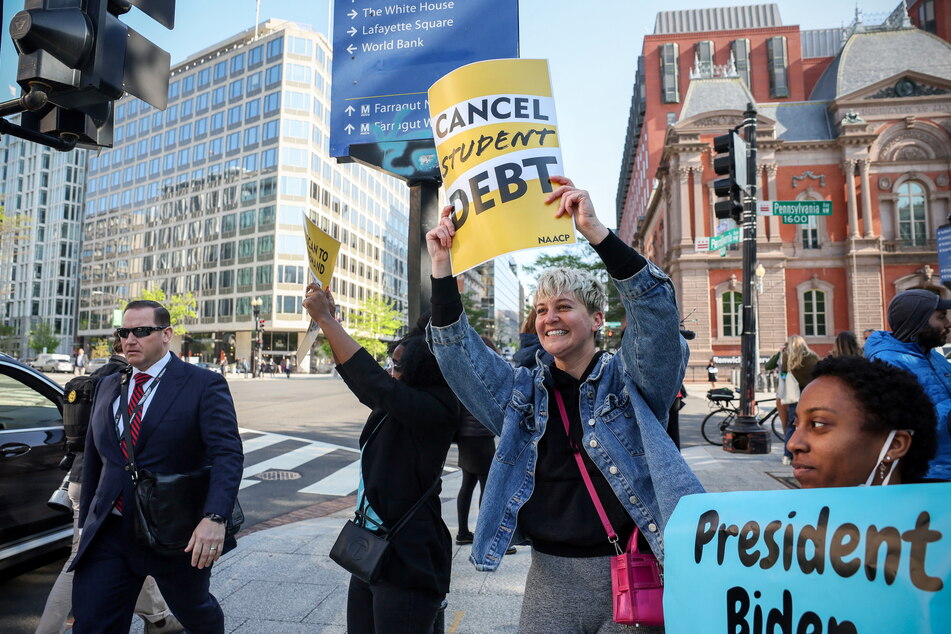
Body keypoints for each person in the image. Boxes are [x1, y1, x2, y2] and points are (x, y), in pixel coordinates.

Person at [426, 175, 703, 633]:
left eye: (563, 306)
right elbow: (458, 356)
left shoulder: (632, 382)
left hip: (634, 568)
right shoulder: (523, 395)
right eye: (540, 310)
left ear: (597, 319)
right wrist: (441, 264)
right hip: (550, 577)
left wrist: (596, 233)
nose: (549, 317)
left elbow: (656, 316)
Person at [69, 300, 243, 634]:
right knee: (92, 623)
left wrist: (215, 517)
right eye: (124, 332)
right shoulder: (107, 385)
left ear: (166, 335)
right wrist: (84, 527)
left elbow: (227, 454)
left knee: (196, 613)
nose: (130, 339)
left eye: (142, 331)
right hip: (111, 530)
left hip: (175, 531)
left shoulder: (203, 384)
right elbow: (94, 460)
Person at [303, 285, 459, 633]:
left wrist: (326, 320)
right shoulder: (400, 404)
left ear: (424, 369)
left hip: (408, 560)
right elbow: (367, 384)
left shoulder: (436, 408)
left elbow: (375, 384)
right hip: (373, 549)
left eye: (398, 367)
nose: (391, 371)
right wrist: (333, 321)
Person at [36, 339, 182, 634]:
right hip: (101, 487)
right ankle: (48, 629)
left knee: (130, 547)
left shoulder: (95, 376)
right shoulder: (120, 380)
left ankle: (159, 618)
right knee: (79, 559)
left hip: (83, 481)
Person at [789, 356, 938, 488]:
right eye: (795, 425)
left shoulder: (941, 517)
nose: (793, 444)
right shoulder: (777, 517)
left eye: (818, 424)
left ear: (894, 445)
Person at [865, 289, 951, 480]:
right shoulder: (887, 362)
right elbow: (900, 422)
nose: (948, 324)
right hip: (927, 475)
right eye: (941, 317)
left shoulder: (933, 356)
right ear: (918, 322)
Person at [766, 335, 820, 466]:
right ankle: (811, 454)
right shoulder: (812, 357)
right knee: (811, 425)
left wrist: (780, 352)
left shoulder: (787, 357)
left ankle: (787, 455)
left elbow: (770, 367)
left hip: (793, 396)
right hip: (811, 395)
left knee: (791, 425)